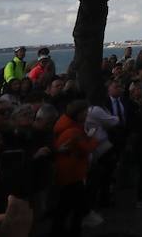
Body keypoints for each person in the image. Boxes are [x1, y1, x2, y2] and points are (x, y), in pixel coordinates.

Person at [50, 101, 96, 237]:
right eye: (85, 112)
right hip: (72, 173)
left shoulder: (68, 126)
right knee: (73, 206)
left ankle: (60, 230)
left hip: (69, 172)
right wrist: (93, 139)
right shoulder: (73, 130)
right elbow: (86, 148)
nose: (87, 115)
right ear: (79, 114)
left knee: (65, 205)